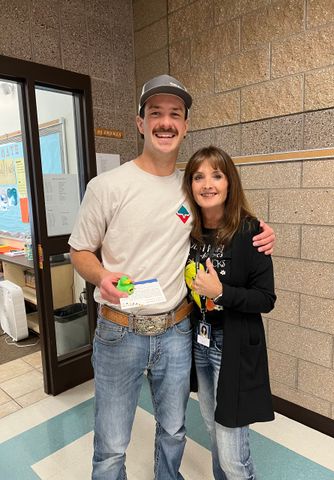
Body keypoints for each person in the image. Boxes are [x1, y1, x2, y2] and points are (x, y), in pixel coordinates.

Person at [68, 75, 275, 480]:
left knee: (175, 431)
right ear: (140, 122)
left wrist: (262, 232)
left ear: (185, 125)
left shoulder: (190, 189)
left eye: (174, 114)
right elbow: (79, 250)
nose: (165, 122)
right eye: (155, 113)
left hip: (177, 331)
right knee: (111, 446)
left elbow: (223, 222)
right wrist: (101, 276)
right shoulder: (106, 186)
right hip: (118, 330)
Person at [183, 146, 276, 480]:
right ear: (190, 184)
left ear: (229, 182)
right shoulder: (187, 229)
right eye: (199, 176)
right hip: (199, 342)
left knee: (232, 446)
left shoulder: (250, 231)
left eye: (217, 175)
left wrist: (221, 292)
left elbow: (266, 298)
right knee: (211, 428)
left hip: (232, 345)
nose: (208, 184)